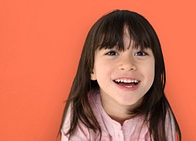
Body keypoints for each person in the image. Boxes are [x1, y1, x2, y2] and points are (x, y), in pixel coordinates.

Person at [60, 9, 181, 141]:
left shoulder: (161, 116)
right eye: (112, 53)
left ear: (156, 68)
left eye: (140, 53)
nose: (128, 64)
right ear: (91, 69)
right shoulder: (80, 113)